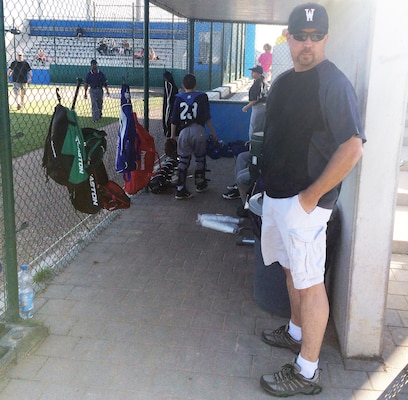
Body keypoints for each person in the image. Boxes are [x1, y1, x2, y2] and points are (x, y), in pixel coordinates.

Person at [259, 3, 366, 397]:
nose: (307, 44)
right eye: (300, 36)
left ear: (326, 38)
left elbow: (353, 148)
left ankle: (307, 371)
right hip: (276, 195)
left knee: (309, 284)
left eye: (315, 36)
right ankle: (295, 331)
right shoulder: (285, 81)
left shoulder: (333, 83)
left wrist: (310, 196)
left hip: (304, 204)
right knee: (290, 272)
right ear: (288, 37)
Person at [223, 65, 267, 202]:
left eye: (254, 72)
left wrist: (246, 106)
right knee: (254, 132)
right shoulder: (261, 82)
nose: (252, 73)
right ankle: (240, 184)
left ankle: (253, 150)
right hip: (260, 108)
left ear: (259, 74)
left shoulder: (260, 83)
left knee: (254, 132)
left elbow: (257, 99)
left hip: (258, 108)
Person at [170, 74, 217, 199]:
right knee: (200, 158)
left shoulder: (178, 98)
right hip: (199, 130)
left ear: (183, 85)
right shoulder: (202, 97)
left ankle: (180, 189)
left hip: (184, 131)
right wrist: (213, 132)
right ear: (196, 84)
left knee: (183, 160)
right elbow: (207, 117)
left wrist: (172, 135)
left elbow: (174, 119)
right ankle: (200, 184)